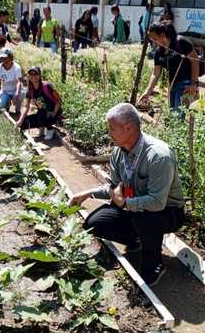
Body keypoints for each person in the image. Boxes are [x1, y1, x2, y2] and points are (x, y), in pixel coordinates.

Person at [70, 103, 185, 286]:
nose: (109, 133)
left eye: (111, 128)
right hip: (132, 204)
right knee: (94, 223)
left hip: (167, 211)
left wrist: (124, 204)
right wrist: (88, 194)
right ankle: (136, 238)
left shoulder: (158, 155)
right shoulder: (119, 152)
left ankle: (154, 263)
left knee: (144, 219)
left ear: (128, 128)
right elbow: (115, 189)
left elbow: (157, 202)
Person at [138, 23, 199, 111]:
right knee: (172, 113)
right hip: (172, 84)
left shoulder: (181, 42)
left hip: (186, 84)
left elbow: (195, 61)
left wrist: (194, 84)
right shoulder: (159, 53)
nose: (154, 42)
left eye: (155, 39)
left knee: (179, 113)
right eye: (152, 40)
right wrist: (147, 92)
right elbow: (155, 74)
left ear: (162, 35)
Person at [16, 66, 62, 141]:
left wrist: (54, 113)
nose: (33, 76)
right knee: (24, 123)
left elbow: (59, 101)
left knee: (45, 117)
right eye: (31, 74)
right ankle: (42, 126)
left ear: (40, 75)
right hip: (41, 113)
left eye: (36, 74)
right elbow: (26, 107)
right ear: (29, 76)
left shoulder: (46, 86)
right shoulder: (30, 90)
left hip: (53, 112)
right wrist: (20, 120)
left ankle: (50, 129)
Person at [0, 48, 23, 114]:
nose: (3, 60)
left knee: (21, 94)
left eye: (5, 58)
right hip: (5, 91)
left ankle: (17, 110)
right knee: (0, 105)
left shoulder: (17, 67)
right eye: (1, 58)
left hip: (15, 90)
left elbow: (19, 82)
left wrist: (16, 93)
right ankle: (7, 104)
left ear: (10, 57)